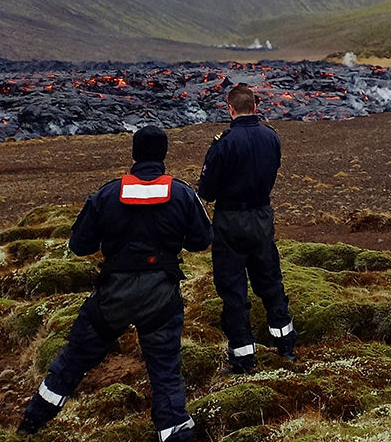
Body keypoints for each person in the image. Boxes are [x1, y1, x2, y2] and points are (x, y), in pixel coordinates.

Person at [18, 125, 212, 440]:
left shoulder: (107, 194)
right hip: (161, 297)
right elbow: (202, 240)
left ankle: (30, 426)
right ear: (163, 155)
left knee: (73, 360)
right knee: (165, 375)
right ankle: (175, 433)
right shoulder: (183, 193)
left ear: (134, 155)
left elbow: (79, 246)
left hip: (112, 297)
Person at [197, 83, 295, 372]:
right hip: (262, 218)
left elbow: (208, 190)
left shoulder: (223, 143)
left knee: (233, 289)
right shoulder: (271, 138)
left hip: (230, 221)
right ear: (255, 106)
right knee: (271, 282)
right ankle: (286, 347)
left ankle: (243, 357)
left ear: (230, 108)